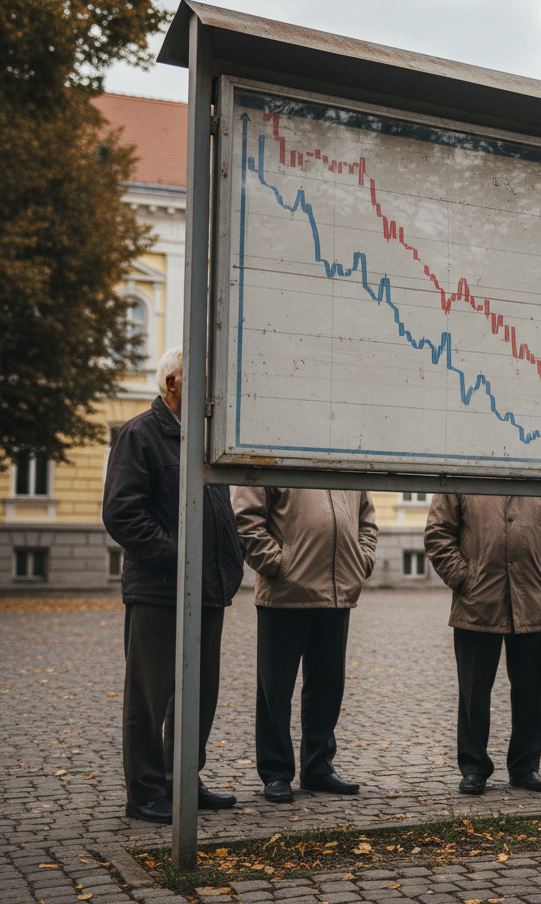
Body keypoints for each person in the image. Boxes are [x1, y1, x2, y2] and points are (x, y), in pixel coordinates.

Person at [102, 347, 243, 824]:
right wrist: (180, 556)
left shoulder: (204, 439)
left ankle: (182, 780)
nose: (212, 390)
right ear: (173, 384)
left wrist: (230, 561)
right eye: (201, 379)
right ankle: (144, 793)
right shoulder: (140, 433)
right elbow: (122, 513)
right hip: (160, 590)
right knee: (150, 694)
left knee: (199, 694)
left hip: (208, 589)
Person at [232, 485, 377, 803]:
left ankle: (318, 767)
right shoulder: (273, 445)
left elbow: (366, 516)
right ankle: (276, 773)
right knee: (275, 690)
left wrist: (361, 559)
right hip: (284, 590)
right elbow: (246, 516)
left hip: (338, 588)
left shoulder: (344, 455)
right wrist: (276, 564)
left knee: (328, 685)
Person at [423, 494, 541, 795]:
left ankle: (525, 767)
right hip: (477, 601)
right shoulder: (463, 469)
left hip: (532, 598)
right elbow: (437, 533)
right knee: (473, 691)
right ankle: (474, 768)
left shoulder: (540, 474)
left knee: (529, 690)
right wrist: (465, 578)